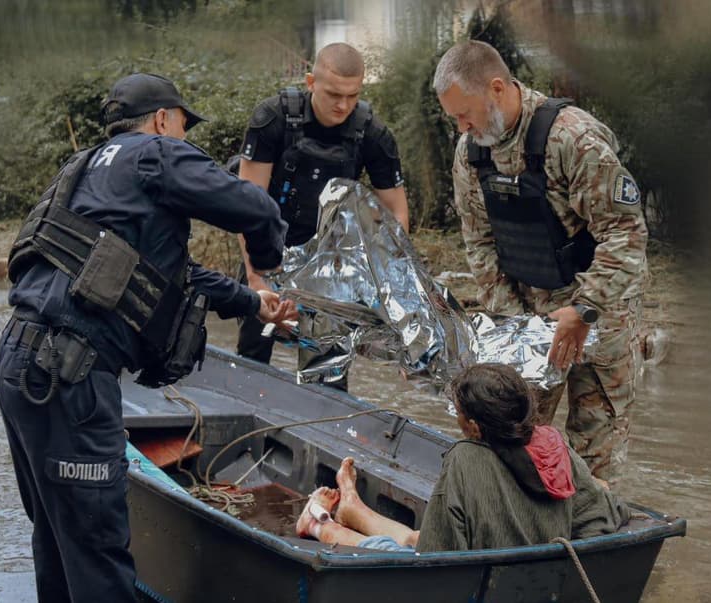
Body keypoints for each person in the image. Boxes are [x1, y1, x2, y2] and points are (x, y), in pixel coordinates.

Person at [0, 73, 292, 601]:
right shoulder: (157, 152)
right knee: (98, 550)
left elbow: (161, 277)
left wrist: (251, 301)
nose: (183, 136)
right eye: (182, 124)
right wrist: (268, 264)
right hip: (70, 373)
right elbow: (257, 209)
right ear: (160, 119)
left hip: (19, 362)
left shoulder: (84, 171)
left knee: (58, 538)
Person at [433, 41, 649, 481]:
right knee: (513, 437)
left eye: (464, 113)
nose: (461, 126)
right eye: (453, 117)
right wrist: (515, 324)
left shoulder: (571, 138)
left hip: (600, 312)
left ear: (496, 88)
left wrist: (584, 309)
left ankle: (589, 539)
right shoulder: (472, 153)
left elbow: (625, 233)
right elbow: (480, 243)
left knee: (595, 450)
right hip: (528, 311)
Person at [295, 363, 630, 553]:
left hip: (472, 574)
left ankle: (319, 523)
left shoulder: (465, 459)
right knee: (414, 537)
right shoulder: (554, 446)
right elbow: (605, 516)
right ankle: (355, 509)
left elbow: (434, 553)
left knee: (393, 548)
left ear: (472, 426)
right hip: (531, 569)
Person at [234, 42, 409, 390]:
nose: (343, 105)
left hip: (332, 260)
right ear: (311, 81)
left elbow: (396, 214)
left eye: (352, 96)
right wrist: (256, 280)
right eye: (333, 94)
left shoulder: (373, 134)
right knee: (252, 357)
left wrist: (381, 281)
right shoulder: (272, 119)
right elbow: (246, 205)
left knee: (328, 372)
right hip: (268, 247)